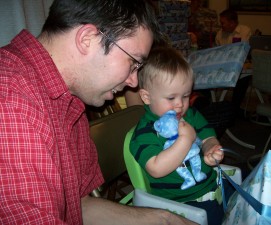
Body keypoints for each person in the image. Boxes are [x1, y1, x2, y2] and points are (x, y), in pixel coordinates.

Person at [0, 0, 198, 224]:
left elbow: (79, 204)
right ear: (87, 39)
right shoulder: (10, 103)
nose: (134, 82)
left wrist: (164, 218)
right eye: (133, 63)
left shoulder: (70, 100)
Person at [130, 46, 234, 225]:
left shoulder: (190, 115)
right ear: (147, 97)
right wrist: (186, 139)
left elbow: (208, 136)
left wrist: (210, 148)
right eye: (171, 98)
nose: (180, 105)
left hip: (211, 183)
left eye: (185, 96)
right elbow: (156, 168)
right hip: (181, 203)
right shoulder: (144, 133)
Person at [215, 9, 252, 118]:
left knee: (243, 77)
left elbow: (246, 50)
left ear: (232, 23)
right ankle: (215, 106)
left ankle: (234, 108)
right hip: (224, 66)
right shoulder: (219, 34)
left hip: (241, 65)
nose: (221, 25)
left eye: (223, 23)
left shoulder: (245, 31)